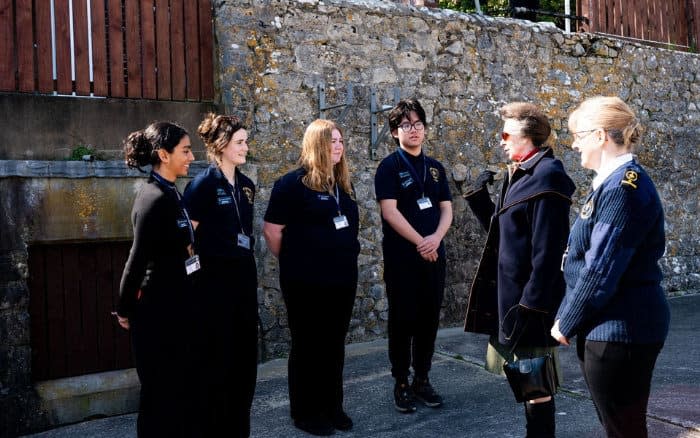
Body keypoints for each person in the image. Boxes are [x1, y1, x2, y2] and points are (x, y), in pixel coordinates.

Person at [551, 96, 670, 438]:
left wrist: (566, 322)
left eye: (578, 135)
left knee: (624, 431)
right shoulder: (614, 182)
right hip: (609, 326)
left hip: (621, 330)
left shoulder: (622, 187)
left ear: (601, 135)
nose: (573, 144)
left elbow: (600, 267)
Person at [463, 102, 575, 437]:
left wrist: (530, 306)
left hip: (528, 305)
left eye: (506, 133)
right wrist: (479, 199)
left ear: (527, 135)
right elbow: (506, 236)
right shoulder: (521, 171)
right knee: (525, 382)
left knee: (535, 385)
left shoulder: (548, 176)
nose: (501, 140)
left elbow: (548, 252)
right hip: (513, 300)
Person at [263, 119, 360, 436]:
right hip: (305, 283)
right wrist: (298, 261)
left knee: (334, 345)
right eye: (331, 140)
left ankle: (332, 407)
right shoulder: (290, 185)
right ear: (315, 144)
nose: (338, 146)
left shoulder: (342, 186)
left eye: (341, 140)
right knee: (308, 346)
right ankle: (305, 412)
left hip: (341, 281)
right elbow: (273, 232)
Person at [116, 121, 196, 437]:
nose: (191, 157)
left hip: (176, 310)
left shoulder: (172, 192)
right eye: (186, 150)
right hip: (157, 316)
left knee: (177, 397)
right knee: (158, 399)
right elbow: (136, 262)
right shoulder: (153, 198)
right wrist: (124, 309)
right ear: (163, 154)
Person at [374, 98, 453, 414]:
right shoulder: (389, 167)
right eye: (406, 125)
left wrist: (435, 239)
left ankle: (422, 378)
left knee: (428, 320)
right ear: (395, 132)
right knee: (402, 321)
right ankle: (401, 382)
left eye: (418, 124)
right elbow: (389, 211)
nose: (414, 130)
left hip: (434, 256)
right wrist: (421, 241)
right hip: (403, 259)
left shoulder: (435, 168)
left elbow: (447, 209)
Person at [182, 113, 259, 437]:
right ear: (222, 146)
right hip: (215, 288)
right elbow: (186, 241)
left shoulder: (246, 186)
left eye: (245, 141)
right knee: (217, 365)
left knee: (244, 364)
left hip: (243, 282)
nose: (245, 147)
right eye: (240, 142)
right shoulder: (201, 186)